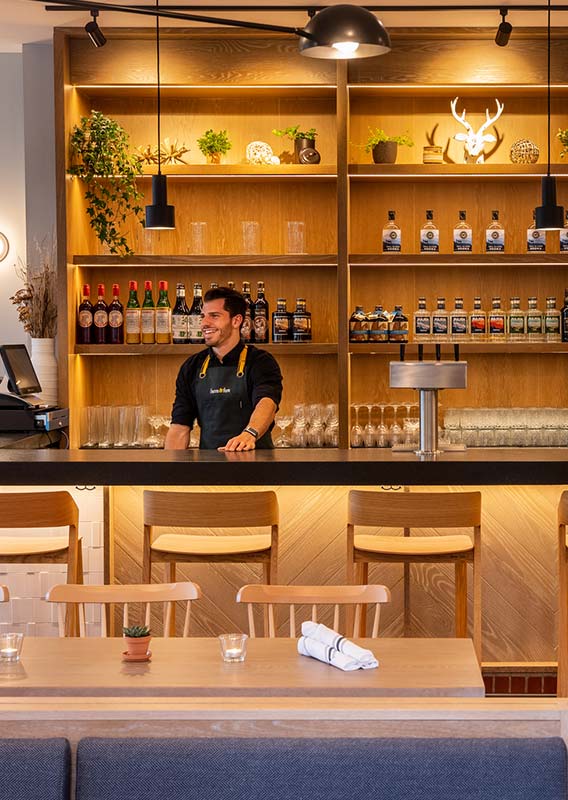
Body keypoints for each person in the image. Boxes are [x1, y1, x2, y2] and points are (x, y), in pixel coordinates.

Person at [165, 286, 282, 451]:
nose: (205, 323)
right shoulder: (192, 367)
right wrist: (167, 471)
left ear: (236, 320)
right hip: (209, 468)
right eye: (203, 316)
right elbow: (179, 427)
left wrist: (249, 434)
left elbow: (267, 403)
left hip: (257, 468)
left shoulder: (260, 361)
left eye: (214, 316)